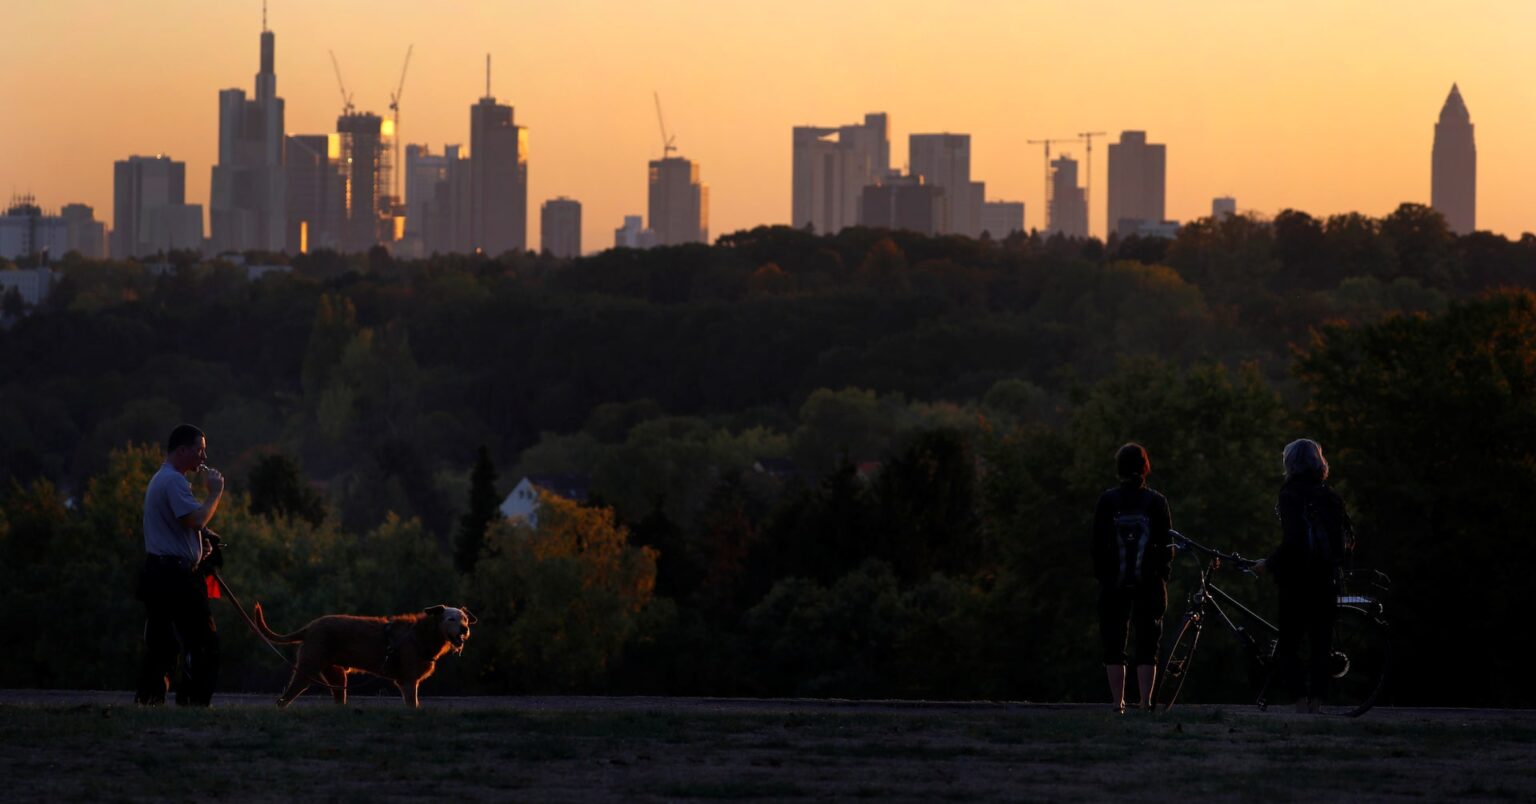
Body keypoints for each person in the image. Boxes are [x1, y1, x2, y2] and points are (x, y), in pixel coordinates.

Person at [1253, 438, 1352, 714]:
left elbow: (1293, 541)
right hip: (1326, 579)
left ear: (1290, 463)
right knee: (1321, 644)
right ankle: (1317, 705)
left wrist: (1268, 565)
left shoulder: (1290, 495)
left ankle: (1299, 703)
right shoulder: (1331, 496)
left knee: (1289, 645)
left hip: (1296, 581)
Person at [134, 424, 225, 706]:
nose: (203, 456)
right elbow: (197, 519)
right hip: (175, 576)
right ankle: (193, 702)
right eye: (199, 450)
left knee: (162, 642)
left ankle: (151, 698)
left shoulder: (164, 479)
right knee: (203, 642)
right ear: (182, 450)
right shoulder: (173, 481)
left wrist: (198, 547)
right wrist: (215, 493)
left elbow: (184, 525)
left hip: (161, 571)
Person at [1091, 443, 1174, 713]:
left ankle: (1118, 703)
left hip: (1113, 584)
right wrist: (1163, 576)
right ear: (1145, 468)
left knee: (1114, 643)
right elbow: (1166, 546)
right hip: (1149, 584)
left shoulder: (1107, 501)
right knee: (1148, 644)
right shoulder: (1157, 502)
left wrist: (1104, 577)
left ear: (1119, 469)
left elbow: (1096, 545)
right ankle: (1145, 702)